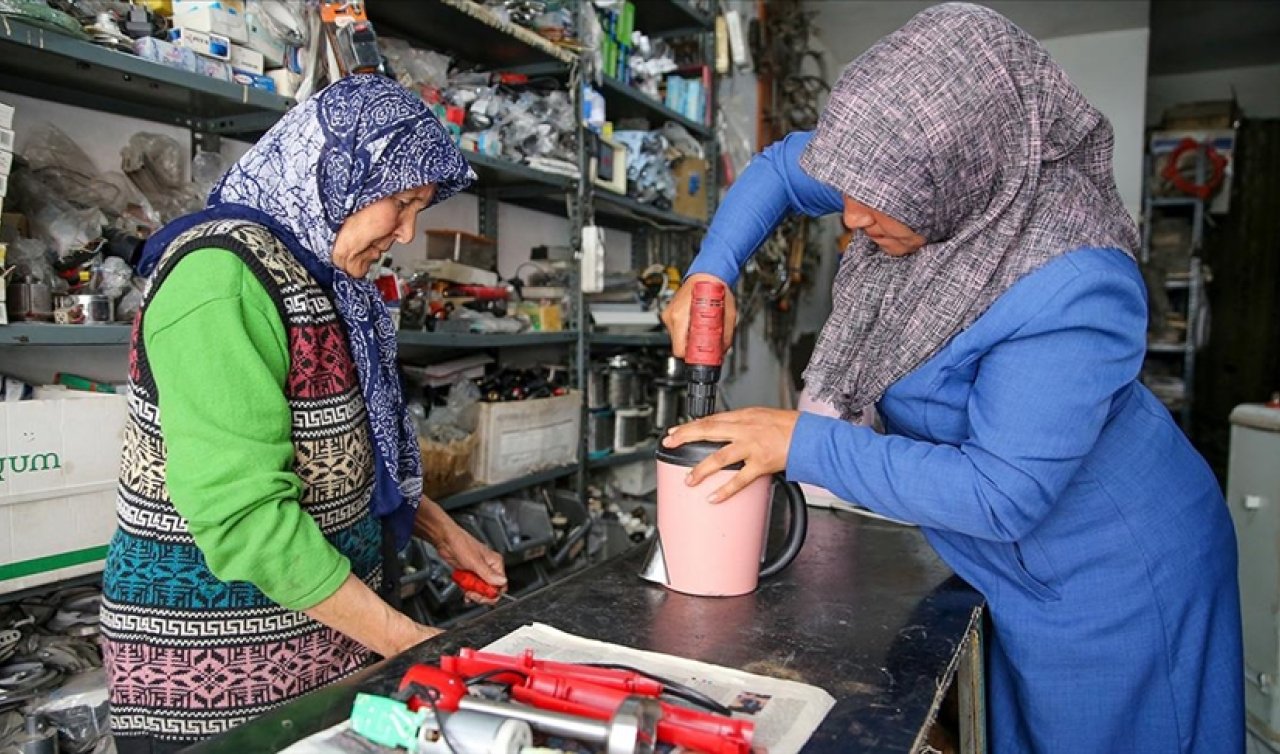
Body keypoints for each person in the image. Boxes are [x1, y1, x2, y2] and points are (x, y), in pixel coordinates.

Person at [661, 4, 1243, 752]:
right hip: (1009, 560)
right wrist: (712, 270)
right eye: (847, 191)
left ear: (964, 174)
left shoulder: (1074, 283)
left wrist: (804, 443)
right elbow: (780, 170)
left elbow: (1004, 494)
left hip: (1114, 573)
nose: (850, 219)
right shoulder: (897, 167)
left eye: (875, 204)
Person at [100, 75, 507, 753]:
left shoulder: (315, 270)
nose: (405, 234)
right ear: (336, 171)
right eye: (399, 204)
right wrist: (411, 647)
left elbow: (339, 448)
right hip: (219, 687)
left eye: (419, 210)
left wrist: (437, 528)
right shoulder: (220, 279)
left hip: (324, 654)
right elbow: (244, 518)